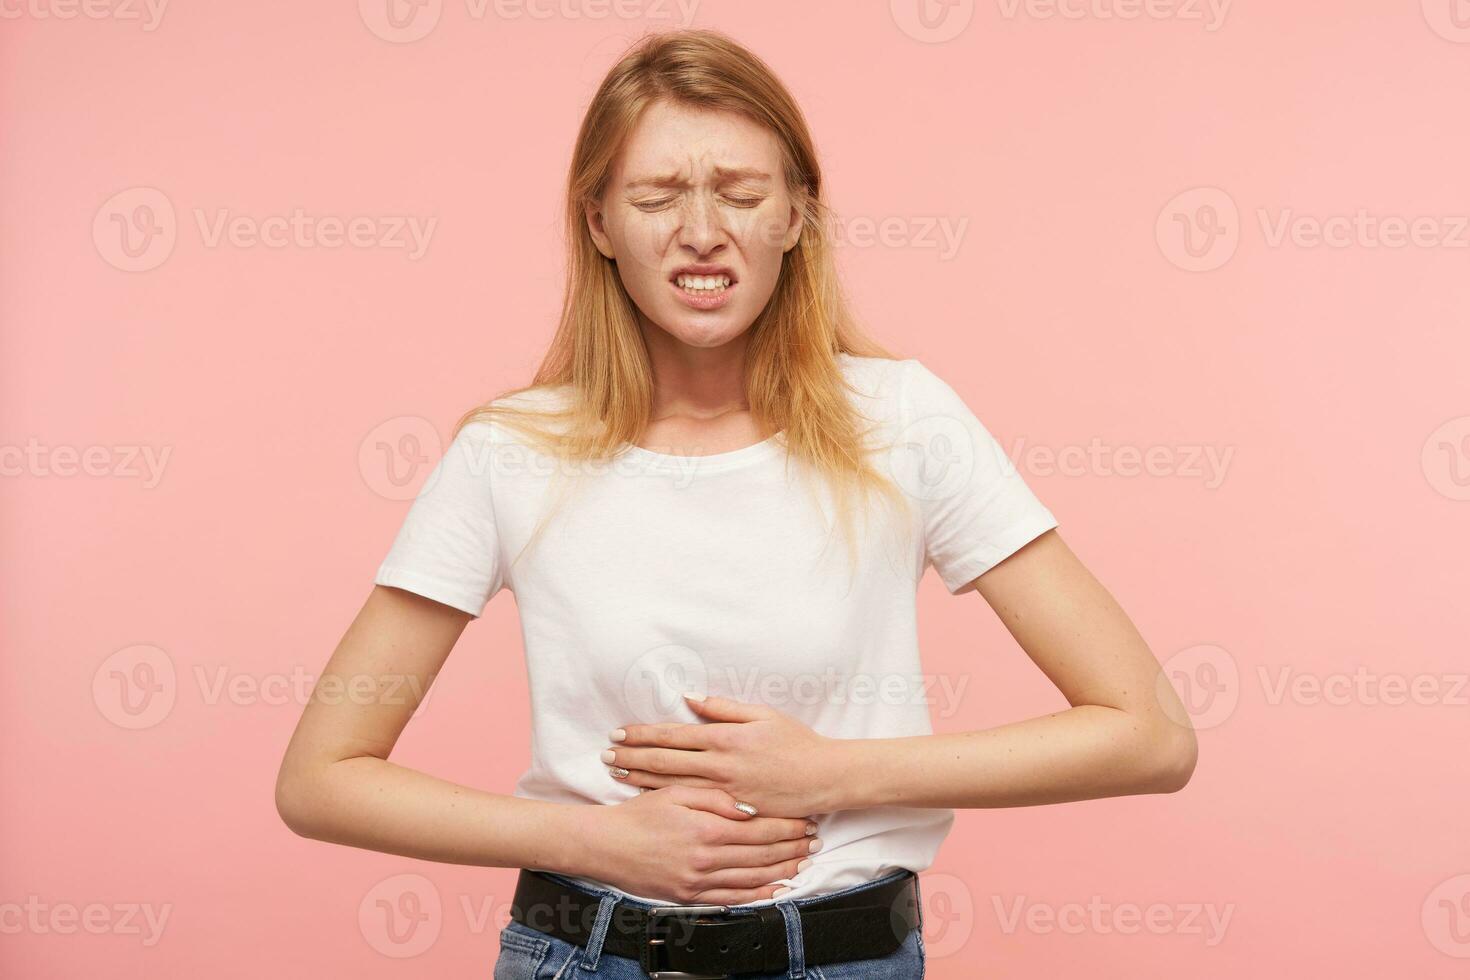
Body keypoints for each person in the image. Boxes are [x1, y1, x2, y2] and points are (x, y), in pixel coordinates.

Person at [274, 27, 1197, 979]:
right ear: (598, 223)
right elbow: (321, 779)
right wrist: (603, 843)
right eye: (657, 196)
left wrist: (834, 772)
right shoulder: (510, 450)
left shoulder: (905, 420)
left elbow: (1150, 734)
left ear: (796, 214)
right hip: (585, 955)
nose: (703, 230)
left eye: (743, 194)